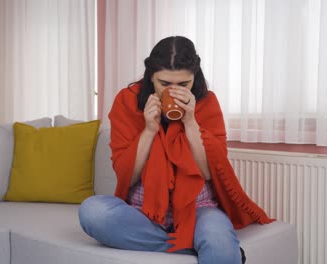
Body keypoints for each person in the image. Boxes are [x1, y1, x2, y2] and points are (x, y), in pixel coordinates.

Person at [78, 36, 273, 264]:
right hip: (144, 212)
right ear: (150, 77)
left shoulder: (207, 103)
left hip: (199, 210)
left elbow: (210, 173)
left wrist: (190, 122)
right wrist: (149, 130)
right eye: (164, 84)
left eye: (183, 84)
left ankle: (204, 243)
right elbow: (126, 177)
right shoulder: (127, 101)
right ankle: (191, 246)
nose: (173, 91)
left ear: (195, 77)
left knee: (218, 238)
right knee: (93, 211)